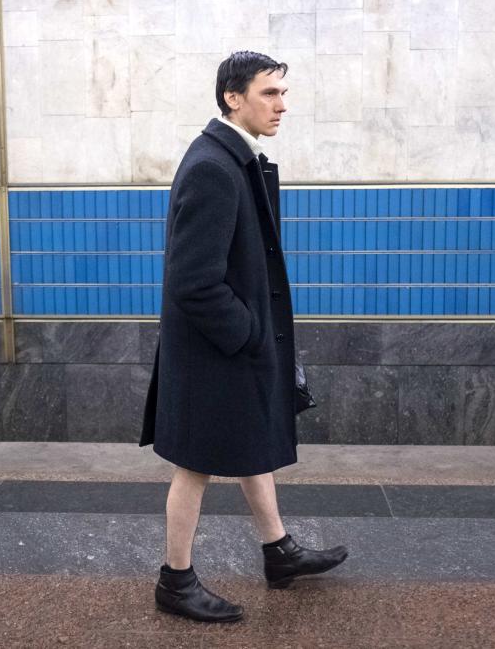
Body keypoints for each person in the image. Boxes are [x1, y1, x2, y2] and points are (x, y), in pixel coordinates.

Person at [139, 51, 348, 623]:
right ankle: (175, 581)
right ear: (233, 97)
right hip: (216, 351)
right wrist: (250, 335)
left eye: (283, 93)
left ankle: (278, 552)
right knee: (195, 465)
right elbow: (193, 281)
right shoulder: (213, 166)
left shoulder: (235, 158)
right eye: (269, 93)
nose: (282, 105)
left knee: (253, 442)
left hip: (230, 350)